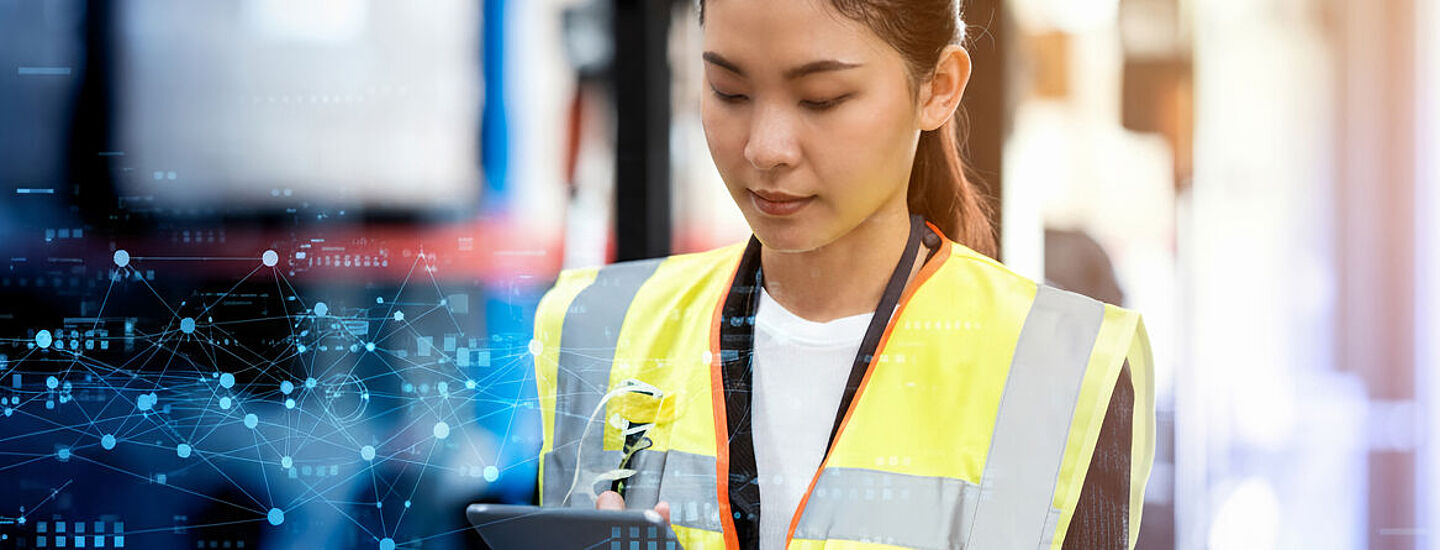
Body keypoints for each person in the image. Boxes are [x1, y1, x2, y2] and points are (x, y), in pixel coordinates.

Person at [531, 0, 1155, 548]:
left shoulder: (1064, 365)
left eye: (821, 99)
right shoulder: (597, 328)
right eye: (728, 90)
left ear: (938, 86)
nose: (765, 147)